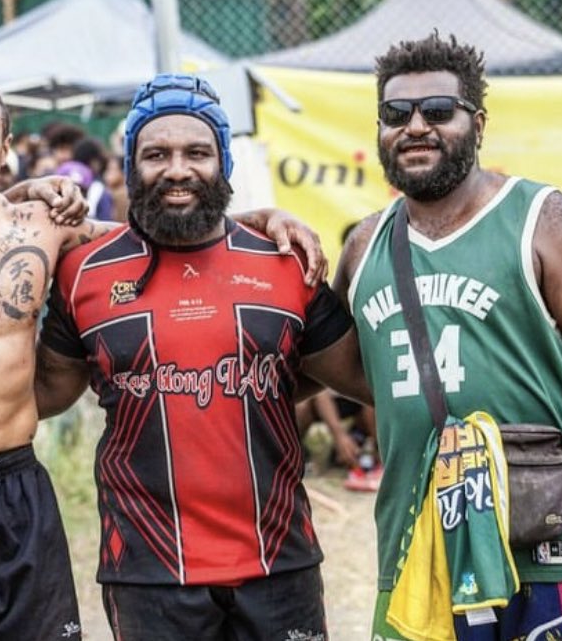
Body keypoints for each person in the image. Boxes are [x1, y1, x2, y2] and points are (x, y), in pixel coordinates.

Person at [0, 71, 330, 641]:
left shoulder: (42, 230)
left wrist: (260, 221)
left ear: (5, 148)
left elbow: (170, 230)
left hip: (16, 485)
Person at [333, 31, 562, 639]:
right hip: (423, 548)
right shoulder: (365, 246)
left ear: (478, 124)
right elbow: (330, 368)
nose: (415, 127)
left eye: (438, 111)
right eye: (395, 114)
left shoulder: (544, 221)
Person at [34, 73, 372, 641]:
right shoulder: (82, 273)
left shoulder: (288, 264)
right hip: (147, 568)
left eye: (197, 152)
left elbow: (362, 378)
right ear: (130, 164)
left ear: (225, 163)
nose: (176, 169)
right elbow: (43, 394)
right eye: (155, 154)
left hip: (278, 559)